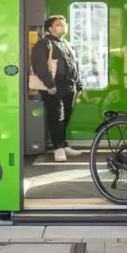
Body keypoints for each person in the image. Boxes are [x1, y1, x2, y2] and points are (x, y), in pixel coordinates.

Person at [30, 15, 84, 162]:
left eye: (64, 23)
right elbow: (39, 66)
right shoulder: (44, 44)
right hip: (54, 87)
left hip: (69, 86)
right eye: (59, 24)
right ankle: (58, 148)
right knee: (56, 117)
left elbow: (75, 66)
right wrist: (50, 84)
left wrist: (78, 83)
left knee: (66, 115)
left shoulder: (68, 44)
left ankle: (63, 144)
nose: (63, 26)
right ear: (50, 28)